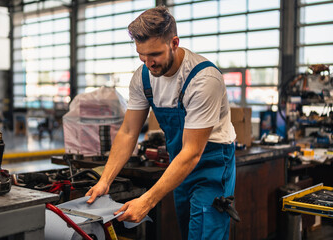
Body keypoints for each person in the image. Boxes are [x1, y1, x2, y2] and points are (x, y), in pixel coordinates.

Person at [86, 6, 236, 240]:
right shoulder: (143, 77)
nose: (148, 63)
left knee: (205, 233)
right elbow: (127, 132)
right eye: (141, 55)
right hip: (179, 164)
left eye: (154, 54)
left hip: (212, 165)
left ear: (174, 43)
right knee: (188, 230)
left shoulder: (203, 79)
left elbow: (193, 152)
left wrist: (146, 201)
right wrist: (105, 181)